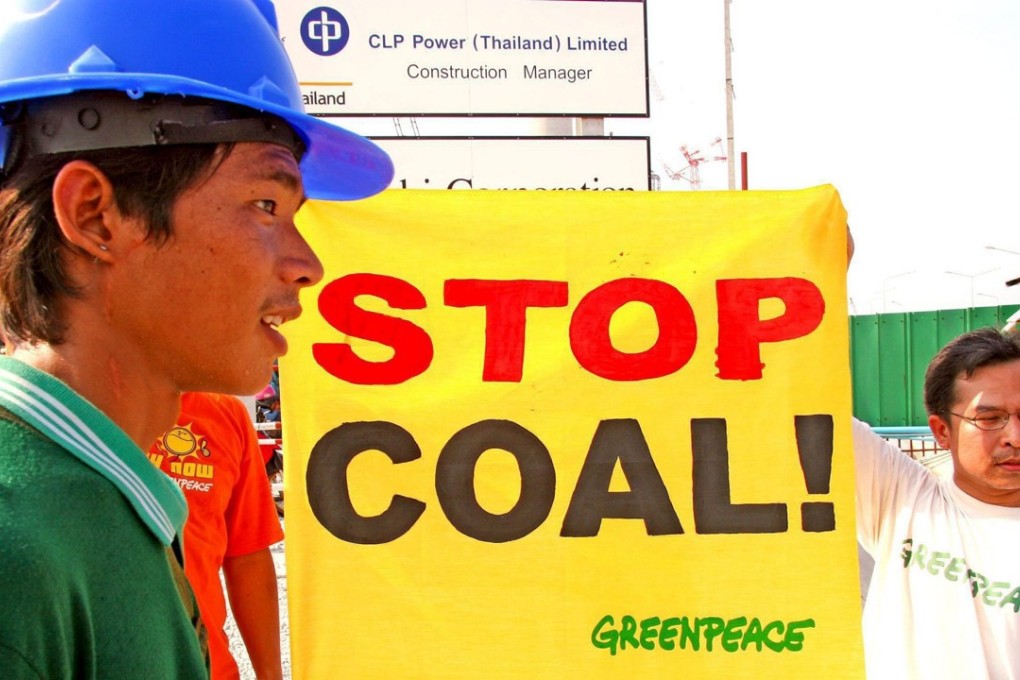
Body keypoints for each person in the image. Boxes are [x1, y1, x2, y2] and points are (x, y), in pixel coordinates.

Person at [0, 1, 393, 677]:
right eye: (266, 205)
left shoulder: (105, 504)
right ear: (96, 216)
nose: (308, 265)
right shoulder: (19, 552)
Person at [854, 327, 1020, 679]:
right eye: (990, 419)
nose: (1014, 437)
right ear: (942, 431)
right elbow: (794, 397)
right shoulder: (900, 498)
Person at [150, 392, 285, 680]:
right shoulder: (70, 400)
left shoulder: (224, 412)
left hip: (208, 668)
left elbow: (247, 556)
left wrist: (271, 676)